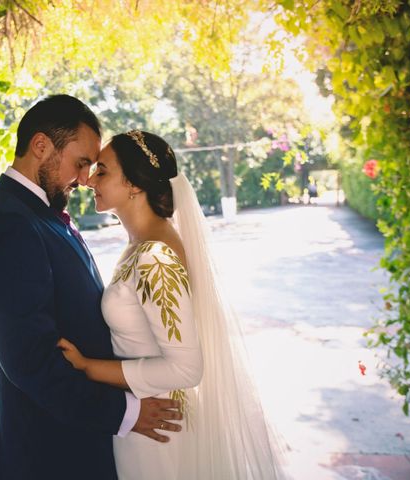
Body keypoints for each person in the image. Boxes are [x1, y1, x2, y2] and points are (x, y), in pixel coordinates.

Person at [0, 96, 182, 480]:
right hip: (44, 451)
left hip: (68, 439)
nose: (85, 178)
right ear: (41, 146)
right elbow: (31, 361)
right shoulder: (9, 225)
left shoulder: (36, 214)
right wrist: (126, 413)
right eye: (82, 163)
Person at [58, 130, 284, 479]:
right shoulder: (143, 244)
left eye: (102, 170)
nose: (88, 180)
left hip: (156, 428)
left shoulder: (155, 257)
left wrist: (89, 367)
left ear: (134, 183)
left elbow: (186, 369)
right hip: (146, 420)